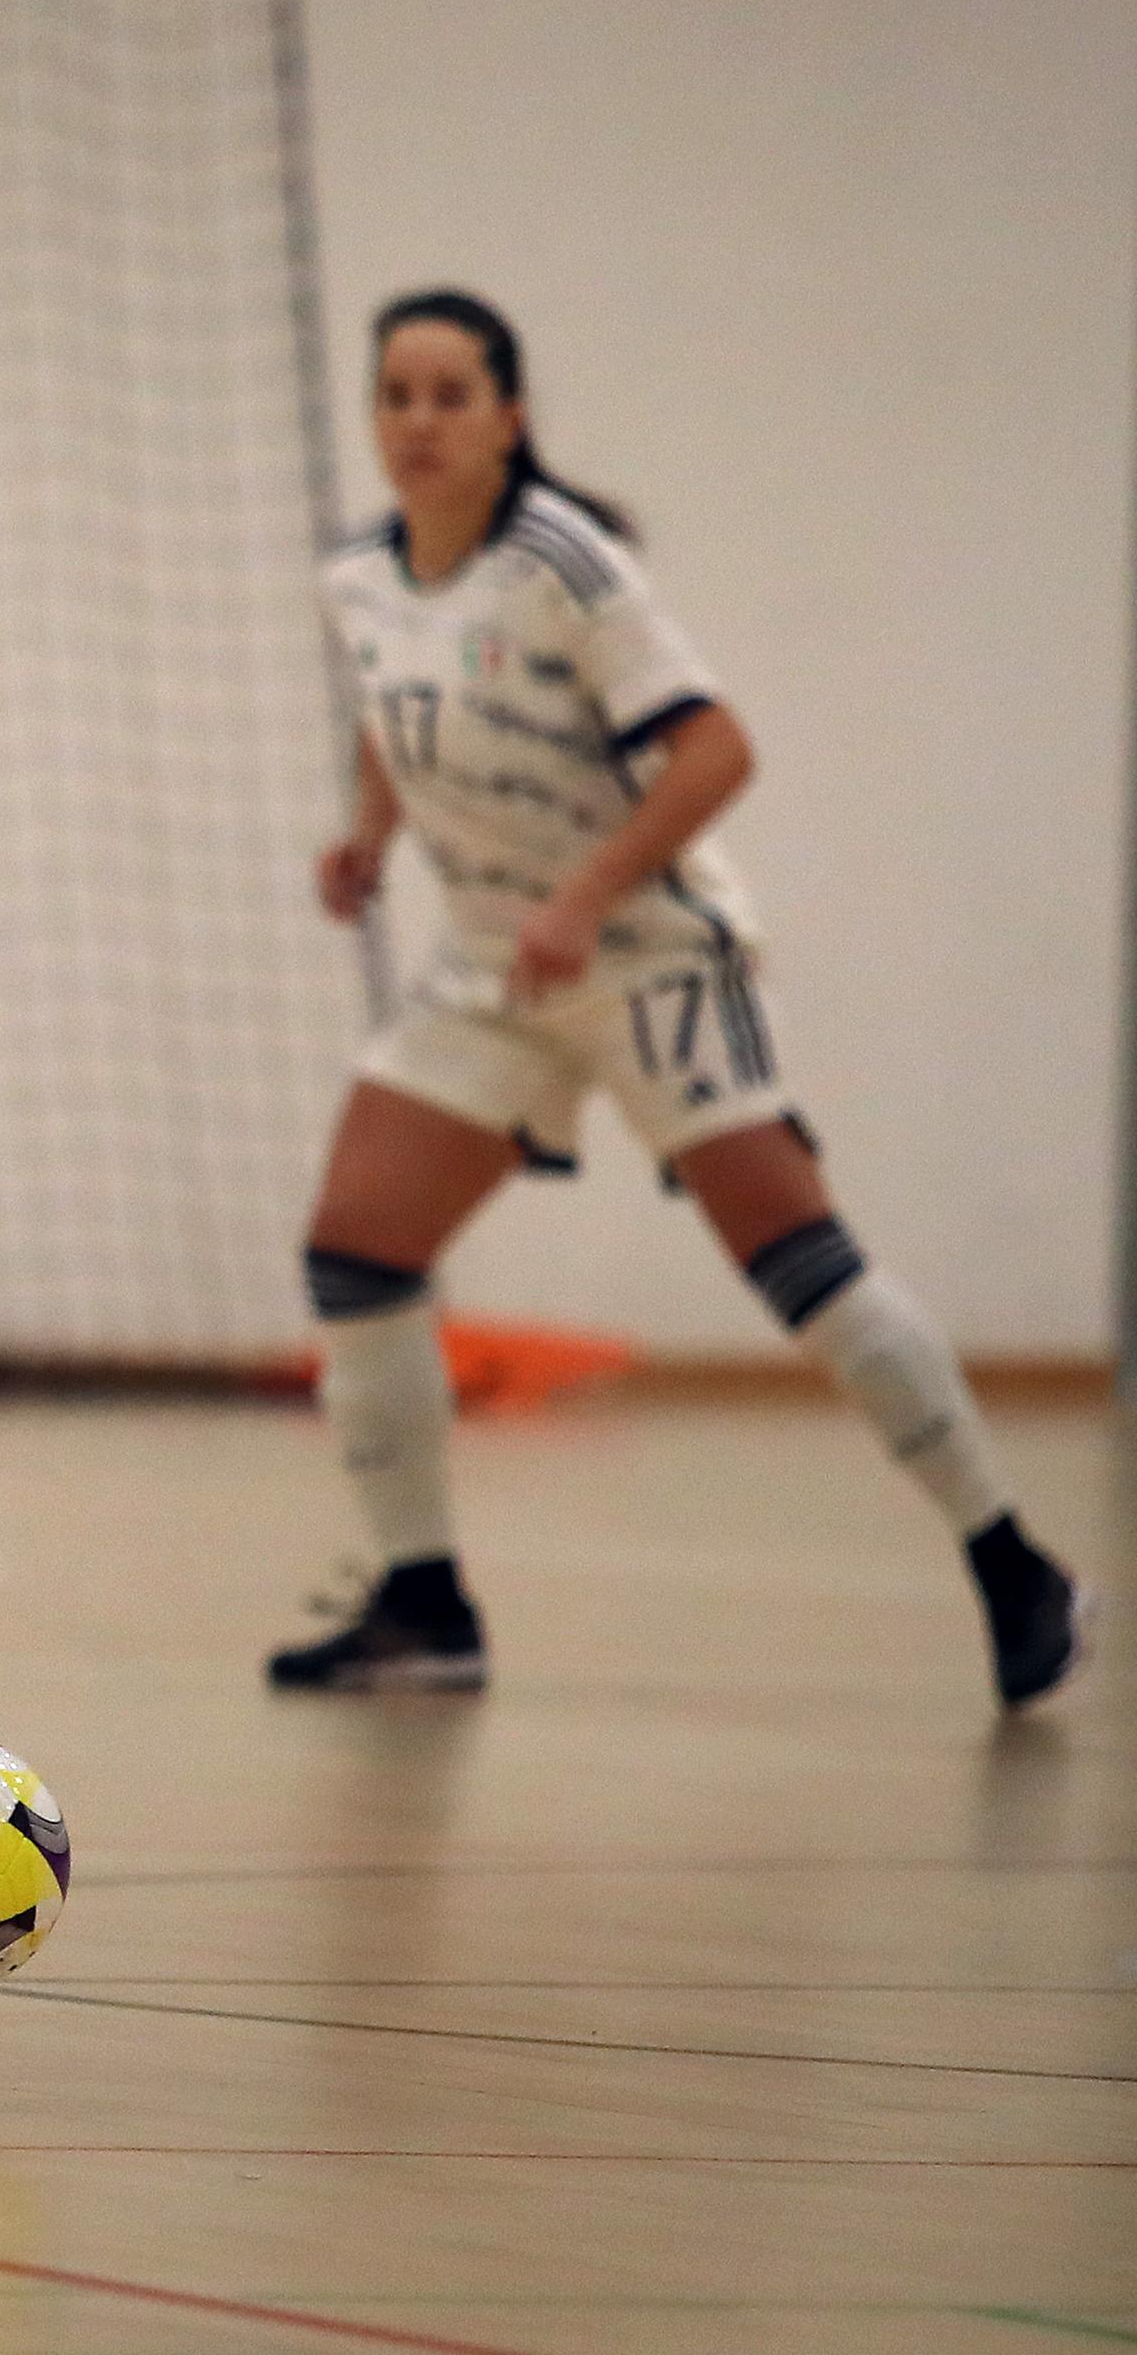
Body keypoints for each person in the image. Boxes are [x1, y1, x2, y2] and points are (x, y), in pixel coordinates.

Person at [276, 288, 1087, 1708]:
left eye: (451, 395)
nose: (418, 422)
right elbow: (392, 719)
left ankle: (1018, 1567)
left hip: (644, 948)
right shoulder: (357, 576)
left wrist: (586, 898)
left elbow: (718, 753)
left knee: (799, 1263)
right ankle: (426, 1604)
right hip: (493, 963)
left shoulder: (567, 564)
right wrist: (369, 839)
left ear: (510, 418)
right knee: (357, 1249)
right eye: (396, 395)